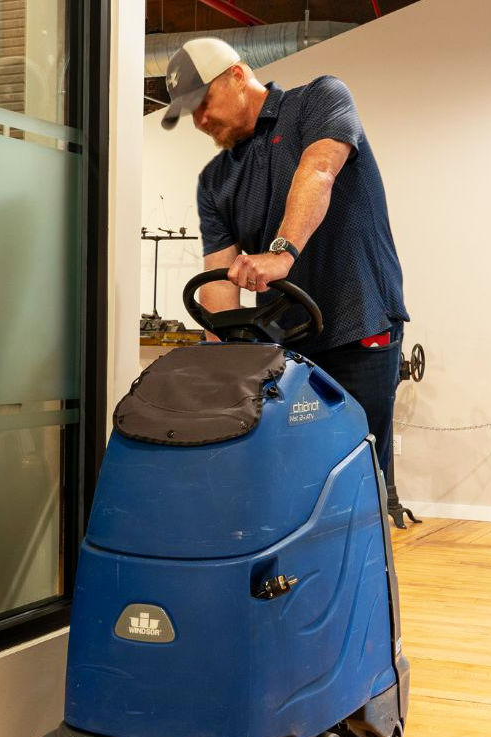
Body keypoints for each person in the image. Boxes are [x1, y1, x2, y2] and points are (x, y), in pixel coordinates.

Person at [162, 37, 409, 476]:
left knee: (360, 468)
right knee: (287, 472)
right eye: (189, 113)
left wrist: (281, 252)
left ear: (237, 76)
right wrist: (220, 353)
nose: (199, 120)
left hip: (360, 323)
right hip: (283, 343)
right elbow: (219, 276)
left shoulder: (320, 99)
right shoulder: (215, 180)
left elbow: (319, 170)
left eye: (203, 102)